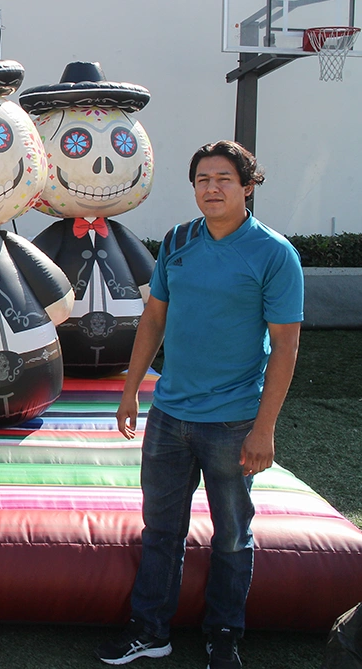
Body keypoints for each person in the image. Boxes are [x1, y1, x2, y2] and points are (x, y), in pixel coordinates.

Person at [94, 141, 303, 668]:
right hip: (168, 417)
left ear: (248, 186)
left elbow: (285, 346)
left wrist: (264, 429)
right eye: (202, 179)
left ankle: (223, 634)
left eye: (224, 179)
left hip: (233, 422)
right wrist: (129, 391)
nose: (211, 188)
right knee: (161, 529)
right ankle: (150, 630)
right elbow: (154, 320)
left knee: (232, 534)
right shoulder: (179, 241)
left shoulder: (274, 254)